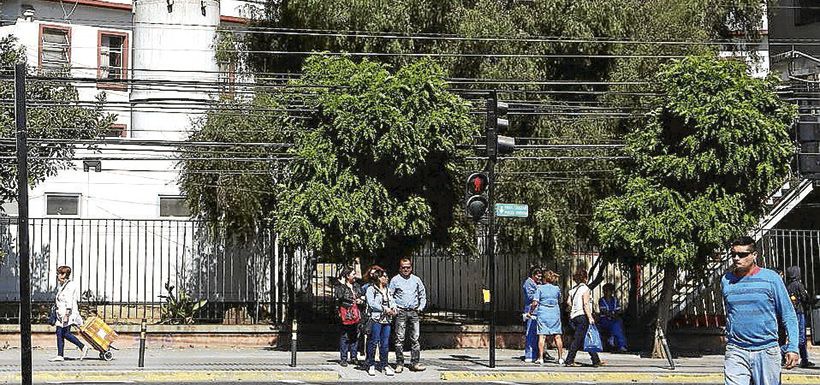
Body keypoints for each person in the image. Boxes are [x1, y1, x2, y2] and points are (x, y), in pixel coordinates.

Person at [722, 236, 799, 385]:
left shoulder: (771, 278)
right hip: (736, 350)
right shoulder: (726, 280)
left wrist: (793, 347)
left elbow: (788, 314)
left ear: (754, 255)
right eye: (733, 254)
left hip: (766, 350)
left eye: (742, 254)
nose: (737, 258)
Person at [389, 258, 427, 373]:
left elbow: (422, 294)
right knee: (399, 339)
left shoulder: (416, 280)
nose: (406, 269)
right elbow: (390, 295)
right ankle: (399, 363)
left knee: (415, 339)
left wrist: (421, 307)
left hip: (414, 312)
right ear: (400, 268)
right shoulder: (395, 280)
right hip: (401, 312)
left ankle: (415, 363)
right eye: (403, 267)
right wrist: (394, 307)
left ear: (411, 267)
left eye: (408, 267)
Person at [564, 266, 603, 367]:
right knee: (577, 339)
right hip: (582, 316)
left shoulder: (572, 290)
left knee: (585, 337)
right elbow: (586, 304)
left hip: (574, 317)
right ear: (585, 278)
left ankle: (596, 360)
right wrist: (590, 317)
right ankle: (569, 360)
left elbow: (568, 303)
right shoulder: (585, 289)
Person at [50, 265, 89, 362]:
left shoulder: (70, 286)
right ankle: (60, 355)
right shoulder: (62, 286)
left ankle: (82, 346)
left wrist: (67, 315)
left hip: (68, 314)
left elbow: (69, 301)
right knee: (59, 333)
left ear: (64, 275)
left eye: (59, 273)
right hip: (60, 314)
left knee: (65, 333)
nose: (57, 275)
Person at [365, 267, 397, 376]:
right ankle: (371, 364)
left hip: (386, 320)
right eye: (384, 276)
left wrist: (393, 308)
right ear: (379, 278)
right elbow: (372, 303)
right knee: (373, 342)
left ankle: (384, 365)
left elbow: (392, 300)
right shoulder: (371, 289)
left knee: (385, 343)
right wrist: (384, 309)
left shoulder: (387, 289)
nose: (386, 278)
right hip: (376, 319)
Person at [529, 270, 564, 365]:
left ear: (544, 278)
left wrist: (530, 312)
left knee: (542, 336)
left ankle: (540, 358)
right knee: (557, 336)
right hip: (555, 314)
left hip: (543, 313)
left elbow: (535, 303)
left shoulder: (540, 288)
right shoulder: (556, 288)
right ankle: (560, 358)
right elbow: (559, 300)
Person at [785, 266, 815, 368]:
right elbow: (804, 298)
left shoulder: (788, 285)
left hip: (792, 312)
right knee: (801, 337)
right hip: (799, 312)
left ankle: (803, 359)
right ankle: (804, 359)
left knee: (794, 335)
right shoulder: (798, 285)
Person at [334, 267, 363, 367]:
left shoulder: (356, 286)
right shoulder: (340, 286)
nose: (355, 276)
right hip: (345, 313)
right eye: (353, 274)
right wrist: (342, 284)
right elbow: (340, 296)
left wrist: (361, 301)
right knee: (345, 336)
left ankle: (354, 357)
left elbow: (361, 295)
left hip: (356, 313)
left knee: (355, 335)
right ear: (347, 276)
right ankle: (343, 358)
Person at [598, 283, 628, 353]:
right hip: (605, 320)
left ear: (611, 292)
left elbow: (618, 311)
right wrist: (612, 315)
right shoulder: (601, 300)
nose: (605, 292)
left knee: (617, 324)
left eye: (607, 291)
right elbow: (604, 312)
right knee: (616, 325)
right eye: (604, 291)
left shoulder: (615, 300)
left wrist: (614, 315)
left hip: (614, 319)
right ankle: (621, 345)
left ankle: (613, 339)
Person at [522, 266, 542, 363]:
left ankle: (536, 353)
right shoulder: (528, 283)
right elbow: (530, 296)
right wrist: (539, 291)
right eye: (538, 276)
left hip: (537, 311)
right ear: (533, 275)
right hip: (531, 310)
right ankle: (529, 354)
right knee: (530, 333)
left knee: (536, 333)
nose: (539, 278)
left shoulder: (538, 284)